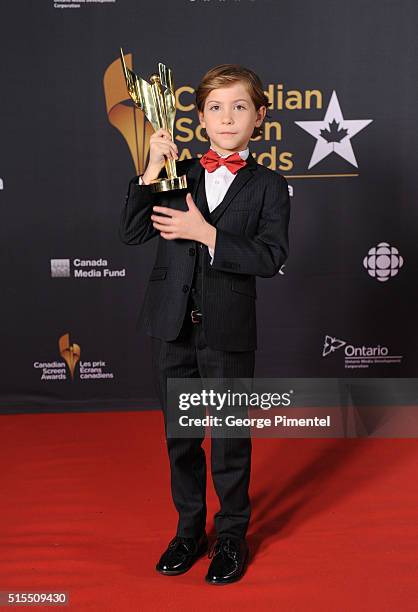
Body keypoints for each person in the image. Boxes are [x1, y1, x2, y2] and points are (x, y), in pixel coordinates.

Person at [120, 64, 290, 585]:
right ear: (199, 117)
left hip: (229, 329)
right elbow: (131, 233)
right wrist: (150, 169)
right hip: (171, 327)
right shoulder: (178, 170)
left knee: (231, 437)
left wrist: (206, 233)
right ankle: (189, 529)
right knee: (182, 436)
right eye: (215, 107)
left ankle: (233, 535)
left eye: (239, 106)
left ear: (259, 117)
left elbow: (270, 257)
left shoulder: (269, 186)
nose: (227, 116)